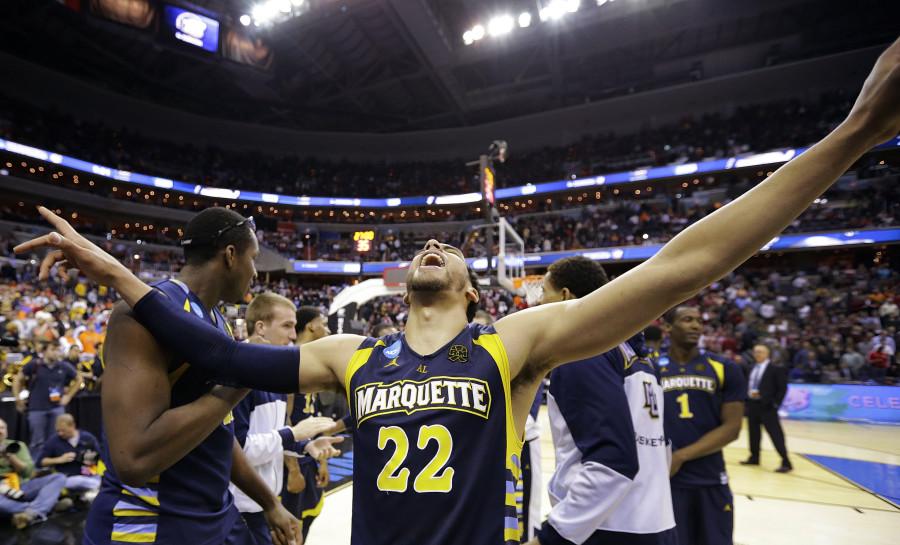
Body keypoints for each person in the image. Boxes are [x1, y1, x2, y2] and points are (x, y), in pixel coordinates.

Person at [15, 39, 900, 545]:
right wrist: (123, 273)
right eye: (423, 243)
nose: (432, 243)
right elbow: (213, 351)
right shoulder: (348, 353)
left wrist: (855, 132)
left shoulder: (515, 344)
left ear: (474, 290)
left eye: (450, 246)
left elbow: (684, 263)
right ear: (402, 283)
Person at [31, 209, 299, 545]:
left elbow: (217, 433)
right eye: (253, 258)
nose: (255, 272)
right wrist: (240, 379)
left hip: (206, 521)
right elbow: (132, 458)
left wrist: (270, 502)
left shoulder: (220, 322)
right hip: (144, 526)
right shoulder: (138, 315)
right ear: (230, 255)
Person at [538, 256, 675, 545]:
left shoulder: (582, 351)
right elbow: (664, 449)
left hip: (605, 528)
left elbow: (612, 461)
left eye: (543, 292)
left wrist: (553, 536)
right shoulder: (638, 355)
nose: (537, 302)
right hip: (656, 521)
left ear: (565, 295)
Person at [232, 294, 342, 545]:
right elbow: (236, 452)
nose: (293, 335)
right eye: (287, 326)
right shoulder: (237, 377)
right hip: (238, 510)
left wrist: (305, 446)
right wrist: (293, 435)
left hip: (264, 503)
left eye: (294, 326)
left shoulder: (274, 377)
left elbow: (273, 434)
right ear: (260, 327)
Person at [659, 306, 745, 545]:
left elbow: (732, 428)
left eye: (699, 320)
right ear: (667, 327)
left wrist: (680, 457)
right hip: (667, 484)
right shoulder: (652, 368)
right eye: (687, 320)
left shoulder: (724, 368)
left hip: (711, 481)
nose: (696, 325)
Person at [283, 306, 343, 540]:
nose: (327, 329)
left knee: (308, 519)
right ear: (310, 326)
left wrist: (324, 462)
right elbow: (284, 418)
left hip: (312, 456)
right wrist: (293, 469)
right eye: (324, 324)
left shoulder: (314, 362)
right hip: (292, 458)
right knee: (288, 530)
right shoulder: (289, 360)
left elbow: (315, 416)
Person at [0, 418, 70, 529]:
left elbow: (28, 472)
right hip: (1, 492)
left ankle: (30, 511)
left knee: (58, 478)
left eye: (2, 428)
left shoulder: (17, 445)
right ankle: (43, 508)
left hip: (21, 486)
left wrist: (10, 456)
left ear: (7, 430)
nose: (1, 431)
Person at [13, 341, 79, 455]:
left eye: (58, 350)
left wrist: (68, 396)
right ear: (44, 351)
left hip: (57, 407)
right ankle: (37, 469)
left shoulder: (63, 366)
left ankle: (54, 466)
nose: (56, 353)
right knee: (37, 441)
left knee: (56, 439)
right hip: (36, 408)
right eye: (52, 349)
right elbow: (17, 379)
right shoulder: (34, 365)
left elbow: (79, 379)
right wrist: (17, 398)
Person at [741, 344, 792, 472]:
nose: (757, 354)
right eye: (756, 352)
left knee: (776, 434)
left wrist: (775, 404)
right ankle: (754, 457)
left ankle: (786, 461)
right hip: (752, 405)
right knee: (753, 433)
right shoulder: (751, 367)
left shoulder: (776, 368)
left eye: (760, 352)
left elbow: (782, 388)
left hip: (768, 407)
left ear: (767, 354)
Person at [38, 413, 103, 502]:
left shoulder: (88, 438)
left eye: (63, 430)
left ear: (72, 426)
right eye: (58, 431)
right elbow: (40, 462)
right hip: (68, 478)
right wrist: (59, 459)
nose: (60, 433)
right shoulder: (54, 441)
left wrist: (89, 458)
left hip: (89, 474)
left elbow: (101, 458)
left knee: (100, 480)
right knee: (84, 482)